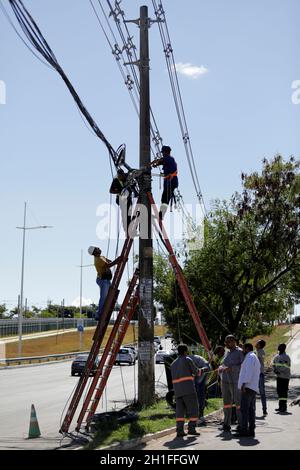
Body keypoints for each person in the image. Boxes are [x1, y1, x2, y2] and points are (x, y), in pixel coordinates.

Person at [170, 343, 200, 437]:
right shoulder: (187, 359)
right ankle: (191, 429)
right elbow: (196, 372)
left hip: (178, 391)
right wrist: (203, 369)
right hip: (188, 390)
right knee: (194, 409)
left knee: (180, 412)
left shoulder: (173, 364)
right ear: (185, 351)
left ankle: (180, 430)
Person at [233, 343, 261, 438]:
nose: (242, 350)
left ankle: (244, 430)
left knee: (244, 410)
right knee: (250, 410)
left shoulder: (250, 357)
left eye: (243, 348)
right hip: (252, 387)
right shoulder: (253, 357)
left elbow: (248, 372)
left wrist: (244, 384)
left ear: (247, 348)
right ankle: (251, 430)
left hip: (248, 387)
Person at [218, 335, 244, 432]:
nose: (227, 343)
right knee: (226, 403)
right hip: (225, 381)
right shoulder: (227, 352)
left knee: (238, 403)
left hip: (235, 381)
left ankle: (241, 424)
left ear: (234, 341)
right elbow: (224, 363)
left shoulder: (240, 352)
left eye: (229, 341)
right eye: (226, 342)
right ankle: (226, 424)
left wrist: (231, 368)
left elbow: (243, 366)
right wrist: (221, 367)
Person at [88, 246, 120, 320]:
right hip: (103, 280)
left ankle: (103, 311)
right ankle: (99, 314)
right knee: (104, 297)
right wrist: (117, 260)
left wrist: (115, 261)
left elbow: (109, 262)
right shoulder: (98, 260)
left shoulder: (101, 257)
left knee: (109, 295)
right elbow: (108, 265)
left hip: (105, 280)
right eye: (97, 248)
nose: (99, 248)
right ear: (95, 252)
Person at [151, 145, 178, 221]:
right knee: (164, 199)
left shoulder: (169, 159)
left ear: (166, 152)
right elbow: (161, 162)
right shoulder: (169, 160)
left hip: (171, 181)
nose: (162, 154)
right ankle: (161, 215)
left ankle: (161, 215)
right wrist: (156, 164)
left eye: (163, 152)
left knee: (165, 199)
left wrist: (151, 164)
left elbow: (160, 161)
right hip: (169, 182)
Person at [109, 169, 138, 236]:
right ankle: (127, 231)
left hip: (128, 199)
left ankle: (130, 229)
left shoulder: (127, 177)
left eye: (121, 176)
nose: (120, 177)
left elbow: (133, 180)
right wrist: (119, 192)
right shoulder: (116, 180)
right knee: (125, 215)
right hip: (121, 200)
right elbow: (111, 191)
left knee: (129, 214)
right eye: (119, 176)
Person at [188, 350, 210, 425]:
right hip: (202, 370)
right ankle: (199, 415)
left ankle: (199, 415)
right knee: (199, 393)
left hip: (203, 370)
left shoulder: (187, 360)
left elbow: (203, 369)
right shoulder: (187, 359)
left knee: (199, 393)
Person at [273, 343, 291, 412]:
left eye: (280, 346)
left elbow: (286, 367)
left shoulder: (286, 357)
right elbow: (274, 364)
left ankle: (284, 406)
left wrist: (279, 371)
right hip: (279, 377)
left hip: (285, 377)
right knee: (279, 391)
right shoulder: (277, 356)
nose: (279, 347)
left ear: (284, 348)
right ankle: (280, 406)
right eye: (279, 346)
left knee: (284, 392)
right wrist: (275, 370)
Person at [255, 339, 267, 416]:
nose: (256, 343)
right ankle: (254, 410)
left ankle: (264, 409)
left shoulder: (260, 351)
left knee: (262, 392)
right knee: (253, 392)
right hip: (256, 374)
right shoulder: (257, 351)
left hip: (259, 374)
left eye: (257, 342)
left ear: (260, 345)